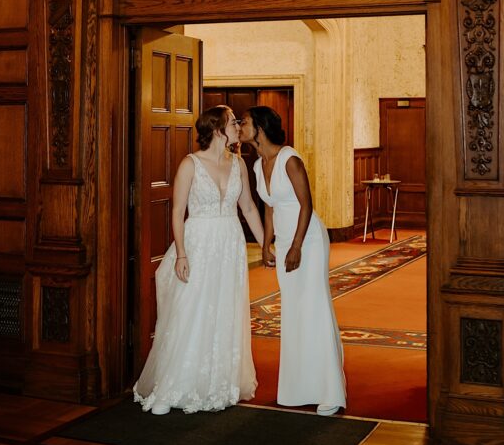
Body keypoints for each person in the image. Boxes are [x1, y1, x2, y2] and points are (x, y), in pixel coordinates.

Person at [134, 105, 264, 415]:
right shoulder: (190, 164)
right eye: (233, 122)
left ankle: (217, 383)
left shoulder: (239, 164)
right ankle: (171, 386)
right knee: (189, 310)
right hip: (199, 243)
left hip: (230, 245)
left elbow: (247, 208)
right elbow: (177, 212)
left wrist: (266, 245)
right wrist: (181, 253)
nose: (238, 126)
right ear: (219, 129)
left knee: (224, 309)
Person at [239, 106, 346, 416]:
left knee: (314, 307)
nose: (240, 127)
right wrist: (266, 243)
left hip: (308, 240)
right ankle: (298, 387)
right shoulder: (259, 165)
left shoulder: (290, 159)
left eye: (244, 123)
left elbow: (306, 205)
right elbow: (269, 208)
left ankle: (330, 390)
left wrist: (297, 246)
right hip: (285, 241)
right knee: (294, 311)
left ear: (258, 128)